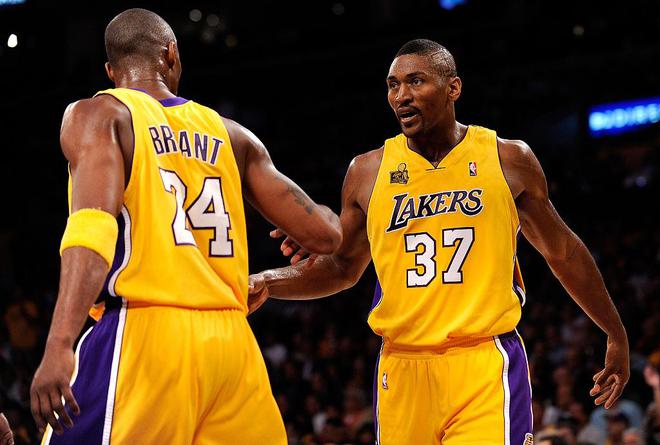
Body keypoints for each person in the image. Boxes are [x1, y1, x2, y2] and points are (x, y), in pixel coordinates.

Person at [249, 39, 630, 444]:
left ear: (453, 88)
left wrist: (615, 332)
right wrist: (268, 281)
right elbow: (342, 268)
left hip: (483, 362)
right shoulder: (366, 171)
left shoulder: (507, 159)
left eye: (416, 81)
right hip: (401, 367)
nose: (401, 95)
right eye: (393, 85)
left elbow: (563, 251)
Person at [30, 8, 342, 445]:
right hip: (232, 345)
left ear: (110, 72)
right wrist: (301, 230)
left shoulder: (101, 115)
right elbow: (327, 235)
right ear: (171, 55)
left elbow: (92, 230)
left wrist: (59, 343)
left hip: (147, 333)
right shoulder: (233, 135)